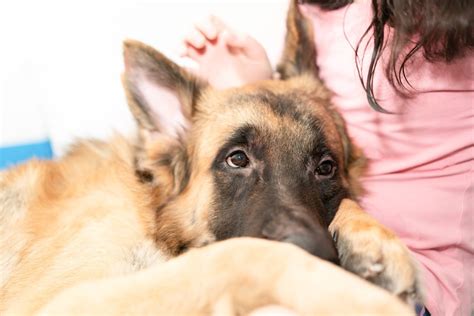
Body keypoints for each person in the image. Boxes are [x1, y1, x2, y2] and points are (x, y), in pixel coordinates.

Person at [179, 1, 473, 315]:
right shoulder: (318, 8)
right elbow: (303, 137)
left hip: (423, 287)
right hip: (320, 249)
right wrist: (253, 83)